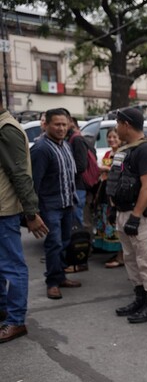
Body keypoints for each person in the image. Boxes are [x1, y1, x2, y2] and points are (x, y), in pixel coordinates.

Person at [106, 107, 147, 323]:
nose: (116, 127)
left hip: (140, 215)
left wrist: (136, 216)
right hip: (124, 211)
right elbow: (118, 181)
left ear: (126, 124)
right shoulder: (127, 149)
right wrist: (114, 208)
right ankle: (140, 298)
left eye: (118, 123)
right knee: (131, 258)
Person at [0, 100, 49, 343]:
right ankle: (4, 312)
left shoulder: (6, 129)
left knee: (13, 267)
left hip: (4, 212)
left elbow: (20, 174)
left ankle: (16, 321)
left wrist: (31, 213)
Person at [31, 108, 83, 300]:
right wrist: (32, 213)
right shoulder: (41, 149)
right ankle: (52, 282)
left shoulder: (65, 145)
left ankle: (61, 276)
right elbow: (34, 182)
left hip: (68, 204)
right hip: (50, 206)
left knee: (65, 242)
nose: (61, 128)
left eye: (64, 124)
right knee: (54, 244)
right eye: (57, 124)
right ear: (46, 125)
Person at [93, 128, 123, 268]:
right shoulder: (107, 153)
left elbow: (120, 172)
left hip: (115, 192)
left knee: (114, 222)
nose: (111, 139)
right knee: (105, 219)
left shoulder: (122, 154)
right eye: (109, 137)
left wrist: (106, 170)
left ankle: (120, 255)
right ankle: (111, 250)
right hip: (104, 190)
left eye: (114, 137)